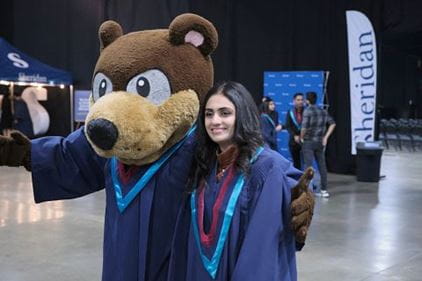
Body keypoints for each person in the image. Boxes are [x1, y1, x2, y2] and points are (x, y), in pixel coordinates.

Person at [168, 81, 301, 281]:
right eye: (209, 114)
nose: (215, 121)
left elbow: (263, 248)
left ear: (242, 115)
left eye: (225, 113)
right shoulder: (204, 165)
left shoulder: (266, 169)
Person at [300, 91, 336, 198]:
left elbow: (304, 128)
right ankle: (324, 190)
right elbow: (333, 124)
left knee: (308, 167)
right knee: (322, 166)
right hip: (320, 142)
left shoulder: (307, 111)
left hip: (308, 142)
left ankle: (306, 191)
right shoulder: (322, 111)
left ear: (307, 100)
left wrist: (301, 137)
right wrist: (325, 137)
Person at [285, 93, 304, 169]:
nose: (300, 101)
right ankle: (297, 180)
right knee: (296, 163)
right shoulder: (290, 112)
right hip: (293, 142)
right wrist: (294, 135)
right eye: (298, 100)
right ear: (294, 101)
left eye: (302, 100)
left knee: (306, 162)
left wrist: (302, 136)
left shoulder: (307, 111)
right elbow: (288, 126)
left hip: (304, 141)